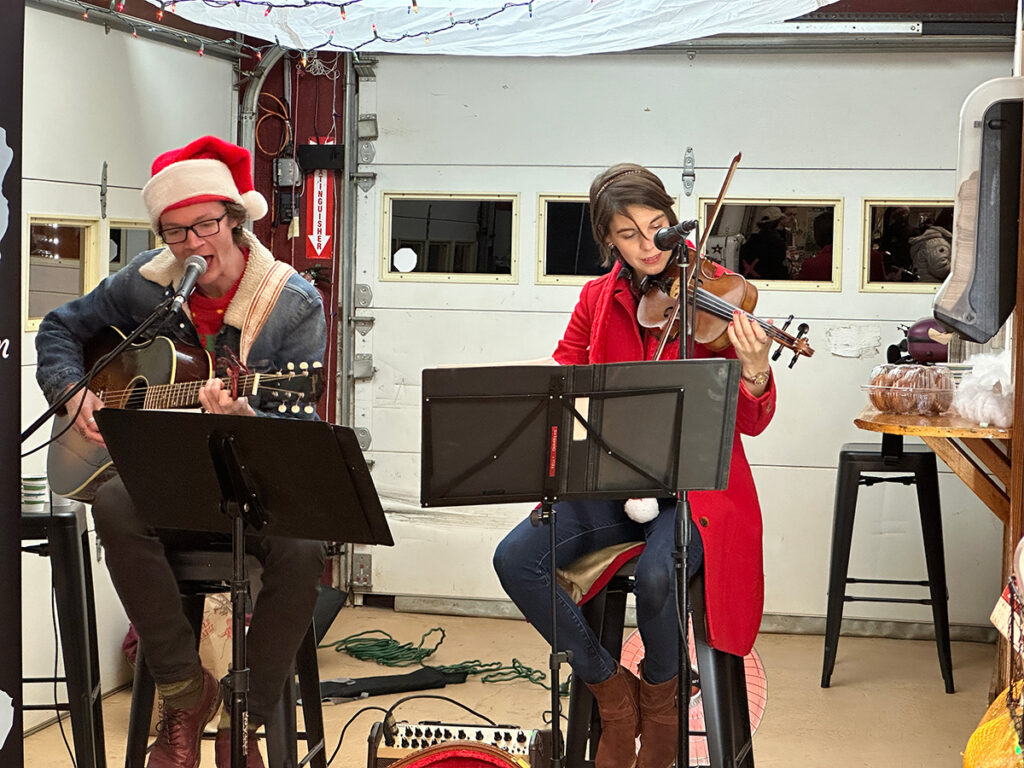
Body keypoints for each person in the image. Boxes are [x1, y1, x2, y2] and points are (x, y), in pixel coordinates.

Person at [35, 136, 328, 768]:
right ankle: (185, 691)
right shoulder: (145, 288)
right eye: (175, 232)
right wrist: (73, 393)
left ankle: (247, 717)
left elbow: (297, 428)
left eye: (206, 225)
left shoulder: (292, 302)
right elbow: (61, 327)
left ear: (235, 218)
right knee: (113, 502)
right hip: (174, 480)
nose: (194, 245)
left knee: (304, 548)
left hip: (258, 484)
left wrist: (247, 416)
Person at [492, 164, 777, 768]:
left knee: (656, 578)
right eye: (629, 235)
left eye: (658, 227)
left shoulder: (717, 291)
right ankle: (611, 694)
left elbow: (751, 421)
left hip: (694, 494)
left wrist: (754, 371)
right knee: (515, 559)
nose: (650, 247)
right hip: (613, 484)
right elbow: (562, 380)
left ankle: (664, 710)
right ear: (609, 242)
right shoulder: (598, 299)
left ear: (675, 223)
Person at [739, 206, 789, 280]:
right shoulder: (776, 242)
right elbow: (778, 268)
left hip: (749, 281)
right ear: (777, 222)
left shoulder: (750, 240)